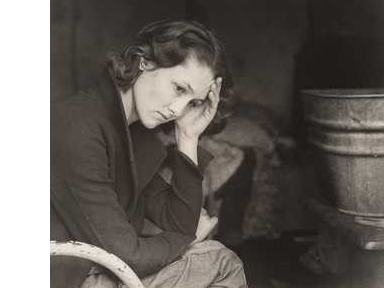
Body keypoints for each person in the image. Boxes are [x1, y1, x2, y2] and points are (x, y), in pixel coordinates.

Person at [50, 20, 247, 288]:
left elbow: (176, 220)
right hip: (66, 276)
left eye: (193, 103)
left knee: (215, 257)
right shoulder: (78, 128)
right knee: (221, 263)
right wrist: (188, 239)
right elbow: (129, 255)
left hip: (96, 267)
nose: (178, 110)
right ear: (146, 61)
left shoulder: (130, 132)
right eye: (179, 88)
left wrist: (188, 138)